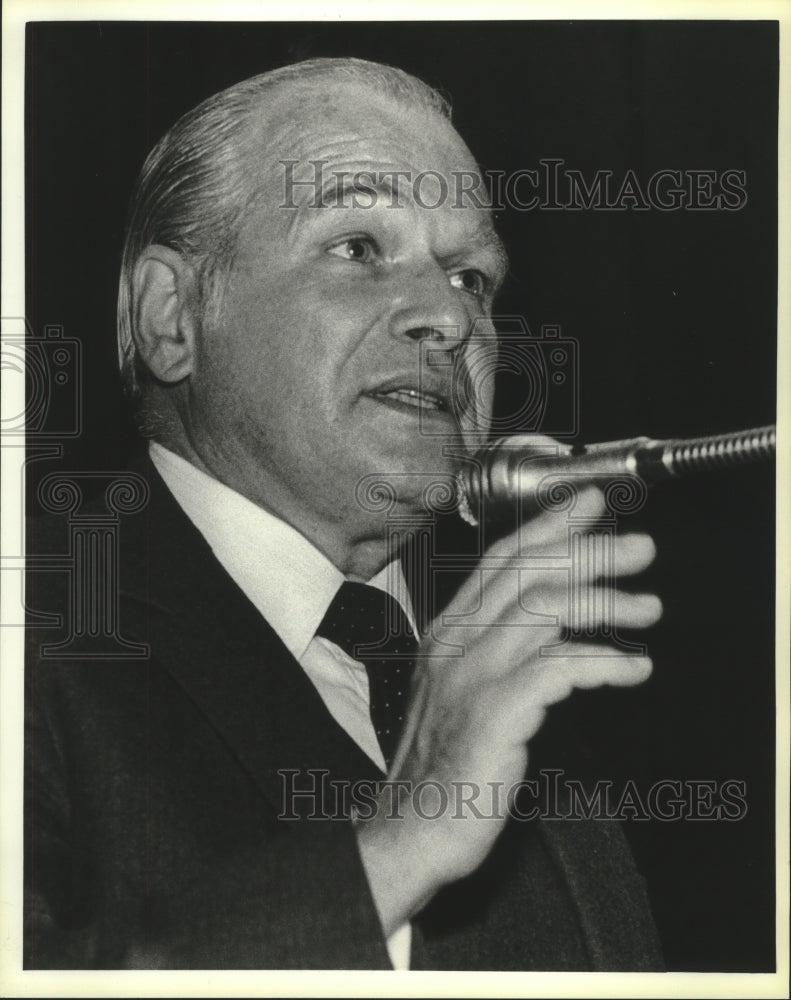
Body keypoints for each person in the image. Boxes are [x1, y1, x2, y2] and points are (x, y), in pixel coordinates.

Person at [24, 57, 664, 970]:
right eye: (359, 247)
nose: (446, 318)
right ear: (171, 318)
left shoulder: (519, 684)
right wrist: (395, 851)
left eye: (471, 278)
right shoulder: (35, 628)